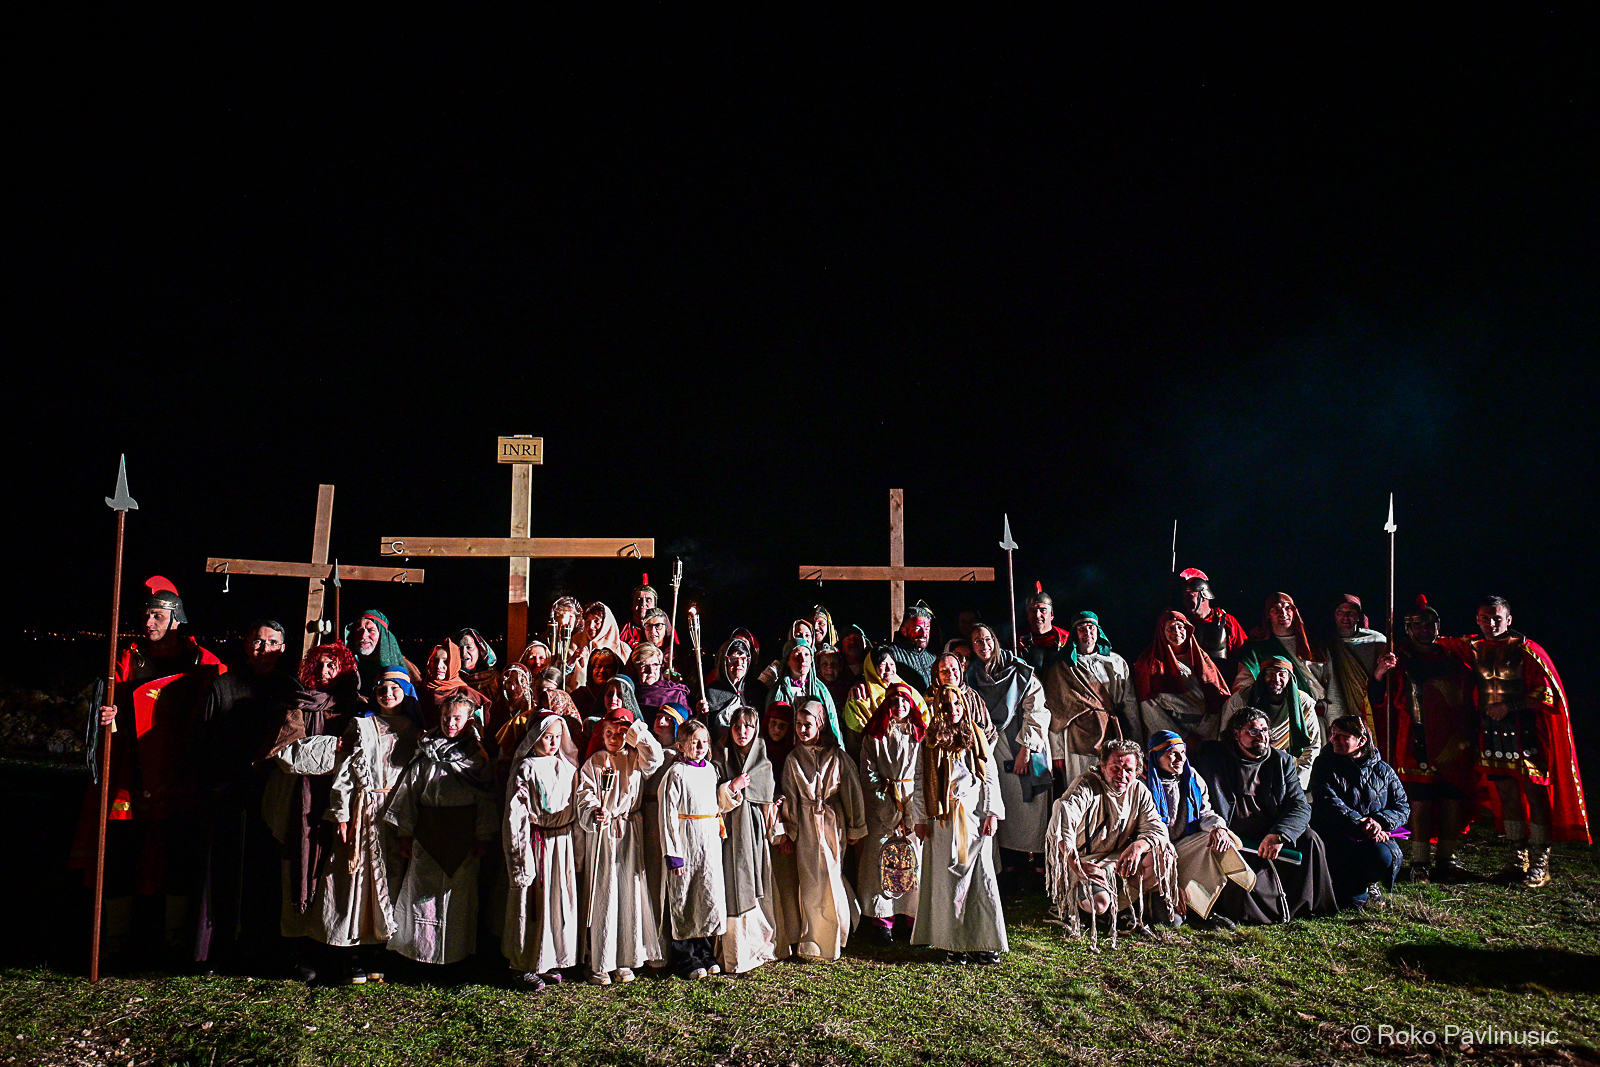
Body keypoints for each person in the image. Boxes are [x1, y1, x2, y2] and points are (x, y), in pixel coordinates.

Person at [75, 577, 226, 967]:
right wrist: (107, 714)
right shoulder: (127, 659)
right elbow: (107, 708)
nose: (148, 622)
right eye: (146, 615)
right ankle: (115, 940)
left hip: (181, 774)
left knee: (179, 854)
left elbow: (219, 709)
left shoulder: (203, 662)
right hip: (133, 771)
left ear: (175, 618)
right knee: (120, 852)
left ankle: (176, 941)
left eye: (157, 615)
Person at [193, 619, 300, 969]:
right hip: (229, 791)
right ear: (246, 644)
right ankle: (220, 947)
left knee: (266, 870)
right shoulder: (223, 686)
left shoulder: (290, 689)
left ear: (282, 649)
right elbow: (205, 740)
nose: (263, 648)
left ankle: (264, 947)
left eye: (271, 642)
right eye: (257, 641)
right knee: (225, 870)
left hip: (274, 792)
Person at [1462, 596, 1590, 887]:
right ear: (1477, 620)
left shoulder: (1527, 651)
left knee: (1535, 794)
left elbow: (1546, 693)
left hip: (1527, 733)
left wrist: (1510, 706)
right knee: (1507, 796)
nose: (1491, 623)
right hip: (1491, 734)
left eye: (1497, 618)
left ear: (1508, 619)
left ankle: (1540, 862)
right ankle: (1516, 859)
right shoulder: (1472, 648)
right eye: (1485, 618)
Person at [260, 642, 362, 982]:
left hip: (346, 806)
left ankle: (337, 951)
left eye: (332, 665)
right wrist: (335, 745)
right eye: (318, 665)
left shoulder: (358, 706)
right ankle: (299, 951)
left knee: (341, 874)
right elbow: (288, 755)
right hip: (300, 805)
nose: (324, 672)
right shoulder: (297, 707)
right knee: (298, 868)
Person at [313, 660, 419, 983]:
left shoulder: (415, 731)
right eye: (382, 689)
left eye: (395, 688)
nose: (388, 694)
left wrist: (408, 823)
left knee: (391, 879)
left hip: (396, 814)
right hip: (364, 811)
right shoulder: (362, 726)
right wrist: (341, 813)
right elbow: (345, 772)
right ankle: (350, 951)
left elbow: (415, 779)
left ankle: (380, 950)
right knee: (353, 879)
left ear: (406, 693)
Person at [1190, 709, 1337, 924]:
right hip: (1234, 834)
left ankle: (1309, 907)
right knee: (1245, 889)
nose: (1261, 736)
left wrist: (1280, 834)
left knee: (1310, 839)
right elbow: (1178, 762)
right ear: (1236, 734)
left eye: (1265, 730)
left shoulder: (1281, 761)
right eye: (1252, 731)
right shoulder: (1212, 756)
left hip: (1271, 830)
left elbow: (1299, 805)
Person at [384, 694, 498, 970]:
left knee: (456, 896)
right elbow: (410, 792)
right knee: (422, 895)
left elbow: (484, 799)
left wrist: (483, 835)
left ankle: (453, 955)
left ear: (469, 720)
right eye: (447, 717)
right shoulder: (426, 752)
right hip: (428, 832)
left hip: (462, 835)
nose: (451, 723)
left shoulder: (476, 757)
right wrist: (405, 833)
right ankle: (420, 954)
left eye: (457, 718)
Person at [909, 684, 1007, 964]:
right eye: (946, 706)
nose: (952, 710)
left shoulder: (975, 736)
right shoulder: (930, 742)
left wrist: (991, 813)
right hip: (943, 820)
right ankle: (952, 942)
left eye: (956, 705)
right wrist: (920, 818)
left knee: (979, 878)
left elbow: (989, 776)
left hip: (973, 818)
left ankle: (983, 942)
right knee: (947, 882)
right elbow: (920, 780)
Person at [575, 704, 667, 984]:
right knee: (605, 892)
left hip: (628, 831)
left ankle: (625, 958)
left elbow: (656, 757)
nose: (614, 738)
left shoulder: (635, 758)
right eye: (609, 733)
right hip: (604, 832)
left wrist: (635, 730)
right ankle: (600, 960)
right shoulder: (595, 761)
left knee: (628, 892)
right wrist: (595, 810)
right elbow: (585, 792)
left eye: (620, 733)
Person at [1045, 739, 1178, 930]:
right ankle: (1075, 905)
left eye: (1128, 770)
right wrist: (1078, 866)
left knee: (1164, 855)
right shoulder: (1085, 786)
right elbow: (1062, 825)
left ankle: (1118, 909)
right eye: (1115, 768)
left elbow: (1157, 829)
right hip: (1085, 861)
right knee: (1098, 903)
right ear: (1103, 766)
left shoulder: (1139, 790)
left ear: (1137, 771)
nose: (1122, 775)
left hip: (1116, 860)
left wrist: (1137, 847)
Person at [1390, 595, 1477, 881]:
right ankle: (1419, 862)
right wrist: (1380, 675)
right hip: (1416, 739)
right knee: (1420, 801)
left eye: (1430, 624)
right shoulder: (1400, 658)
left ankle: (1447, 860)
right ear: (1408, 628)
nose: (1424, 630)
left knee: (1451, 798)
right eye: (1418, 625)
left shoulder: (1453, 657)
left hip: (1452, 740)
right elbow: (1385, 697)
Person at [775, 699, 867, 962]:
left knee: (832, 874)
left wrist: (855, 826)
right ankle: (814, 939)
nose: (802, 730)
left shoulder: (837, 756)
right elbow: (791, 796)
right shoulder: (794, 759)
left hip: (831, 822)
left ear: (820, 725)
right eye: (799, 725)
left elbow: (852, 792)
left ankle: (838, 933)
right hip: (806, 825)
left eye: (808, 725)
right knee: (811, 881)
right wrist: (789, 831)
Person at [502, 712, 582, 991]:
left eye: (558, 737)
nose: (553, 742)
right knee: (532, 903)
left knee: (557, 901)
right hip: (537, 842)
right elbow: (515, 814)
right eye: (547, 737)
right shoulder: (525, 768)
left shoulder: (568, 767)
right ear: (534, 737)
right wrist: (519, 854)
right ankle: (523, 964)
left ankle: (548, 960)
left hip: (562, 842)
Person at [964, 624, 1053, 865]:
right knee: (1006, 806)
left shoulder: (1018, 671)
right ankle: (1012, 864)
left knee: (1030, 808)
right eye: (977, 641)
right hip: (995, 746)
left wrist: (1025, 750)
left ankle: (1037, 864)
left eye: (987, 639)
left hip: (1024, 742)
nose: (984, 645)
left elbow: (1037, 710)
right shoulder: (974, 676)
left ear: (995, 641)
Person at [1144, 731, 1251, 931]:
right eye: (1172, 754)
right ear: (1156, 757)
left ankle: (1207, 910)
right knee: (1171, 921)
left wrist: (1218, 827)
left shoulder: (1191, 777)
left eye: (1182, 753)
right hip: (1156, 855)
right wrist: (1170, 881)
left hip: (1185, 848)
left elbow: (1204, 813)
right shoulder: (1143, 785)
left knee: (1219, 839)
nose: (1180, 759)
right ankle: (1156, 897)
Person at [659, 721, 741, 979]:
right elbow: (668, 814)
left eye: (704, 742)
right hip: (686, 840)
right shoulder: (676, 773)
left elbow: (716, 804)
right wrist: (673, 853)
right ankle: (686, 958)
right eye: (694, 742)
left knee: (707, 896)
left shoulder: (710, 770)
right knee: (685, 897)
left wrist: (731, 789)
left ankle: (706, 954)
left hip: (708, 842)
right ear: (681, 746)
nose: (700, 747)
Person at [1309, 716, 1410, 910]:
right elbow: (1329, 802)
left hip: (1371, 838)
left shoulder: (1383, 771)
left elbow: (1402, 806)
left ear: (1361, 741)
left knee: (1383, 856)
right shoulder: (1324, 765)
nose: (1334, 739)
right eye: (1333, 734)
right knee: (1349, 902)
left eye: (1342, 736)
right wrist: (1362, 823)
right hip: (1337, 838)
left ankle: (1369, 882)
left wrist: (1379, 822)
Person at [856, 681, 927, 945]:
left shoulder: (920, 736)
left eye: (904, 701)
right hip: (883, 806)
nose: (899, 706)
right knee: (881, 859)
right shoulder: (874, 736)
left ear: (911, 705)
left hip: (912, 802)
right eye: (894, 701)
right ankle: (883, 919)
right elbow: (869, 775)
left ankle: (911, 916)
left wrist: (911, 814)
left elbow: (923, 775)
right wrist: (888, 811)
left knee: (913, 860)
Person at [715, 707, 779, 974]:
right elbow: (713, 795)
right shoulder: (721, 757)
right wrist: (732, 787)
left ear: (756, 730)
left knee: (754, 883)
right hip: (728, 833)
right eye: (737, 727)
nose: (742, 732)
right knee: (733, 885)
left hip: (754, 835)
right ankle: (735, 952)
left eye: (748, 727)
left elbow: (767, 800)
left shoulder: (763, 763)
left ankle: (758, 946)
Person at [1043, 611, 1138, 788]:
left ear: (1098, 631)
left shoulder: (1115, 661)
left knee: (1113, 785)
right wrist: (1058, 753)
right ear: (1074, 633)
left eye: (1091, 627)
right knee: (1081, 786)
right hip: (1077, 738)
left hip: (1111, 732)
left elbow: (1129, 703)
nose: (1087, 632)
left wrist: (1135, 741)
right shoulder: (1063, 666)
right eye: (1081, 628)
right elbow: (1056, 711)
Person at [1220, 656, 1323, 787]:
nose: (1276, 679)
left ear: (1290, 678)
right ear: (1262, 676)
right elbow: (1226, 738)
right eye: (1270, 674)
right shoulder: (1240, 700)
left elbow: (1311, 745)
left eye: (1282, 674)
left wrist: (1298, 782)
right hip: (1245, 765)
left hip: (1283, 768)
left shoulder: (1303, 702)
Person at [1133, 610, 1231, 745]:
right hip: (1170, 734)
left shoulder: (1201, 658)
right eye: (1170, 628)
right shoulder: (1149, 662)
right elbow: (1147, 705)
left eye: (1181, 627)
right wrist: (1180, 737)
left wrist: (1207, 731)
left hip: (1206, 731)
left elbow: (1216, 695)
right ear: (1162, 632)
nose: (1177, 632)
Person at [1234, 592, 1329, 717]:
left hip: (1317, 713)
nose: (1283, 613)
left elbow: (1330, 681)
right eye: (1276, 609)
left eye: (1288, 608)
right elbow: (1243, 688)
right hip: (1280, 715)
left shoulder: (1313, 644)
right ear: (1268, 615)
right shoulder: (1257, 648)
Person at [843, 646, 927, 756]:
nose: (888, 669)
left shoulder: (908, 692)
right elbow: (856, 741)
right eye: (882, 665)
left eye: (892, 664)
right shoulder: (860, 696)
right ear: (871, 668)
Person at [1325, 595, 1389, 736]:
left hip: (1368, 703)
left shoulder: (1376, 641)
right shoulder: (1326, 642)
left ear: (1359, 616)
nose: (1345, 617)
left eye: (1351, 612)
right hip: (1338, 702)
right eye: (1340, 612)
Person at [766, 637, 844, 748]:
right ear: (787, 661)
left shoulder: (820, 690)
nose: (803, 659)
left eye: (807, 655)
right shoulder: (778, 691)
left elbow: (833, 724)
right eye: (797, 655)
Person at [1175, 570, 1248, 680]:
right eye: (1184, 596)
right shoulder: (1182, 623)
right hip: (1191, 681)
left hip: (1221, 680)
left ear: (1204, 597)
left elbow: (1243, 654)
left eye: (1190, 596)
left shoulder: (1227, 621)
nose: (1185, 600)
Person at [344, 610, 422, 694]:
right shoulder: (346, 665)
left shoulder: (403, 665)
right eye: (359, 630)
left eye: (371, 630)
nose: (363, 636)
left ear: (382, 635)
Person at [419, 640, 488, 731]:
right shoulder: (420, 692)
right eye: (434, 661)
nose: (439, 666)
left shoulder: (467, 694)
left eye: (446, 661)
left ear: (455, 663)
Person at [697, 632, 755, 737]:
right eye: (733, 658)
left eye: (743, 659)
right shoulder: (711, 692)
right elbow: (703, 728)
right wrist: (701, 717)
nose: (739, 663)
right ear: (723, 662)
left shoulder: (755, 690)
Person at [629, 644, 690, 718]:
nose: (651, 671)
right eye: (645, 666)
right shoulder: (628, 693)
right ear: (635, 669)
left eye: (655, 665)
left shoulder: (675, 693)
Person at [1021, 584, 1070, 673]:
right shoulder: (1019, 641)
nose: (1037, 615)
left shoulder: (1066, 639)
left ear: (1051, 615)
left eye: (1043, 610)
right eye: (1032, 611)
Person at [889, 605, 938, 691]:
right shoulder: (891, 655)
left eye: (927, 628)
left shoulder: (932, 658)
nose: (923, 634)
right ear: (904, 631)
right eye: (917, 628)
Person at [454, 627, 502, 707]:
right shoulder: (451, 680)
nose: (463, 653)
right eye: (459, 648)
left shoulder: (494, 678)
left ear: (480, 649)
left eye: (469, 647)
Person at [617, 576, 659, 651]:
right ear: (632, 605)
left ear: (655, 606)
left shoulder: (663, 631)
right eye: (638, 600)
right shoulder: (620, 631)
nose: (643, 604)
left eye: (648, 600)